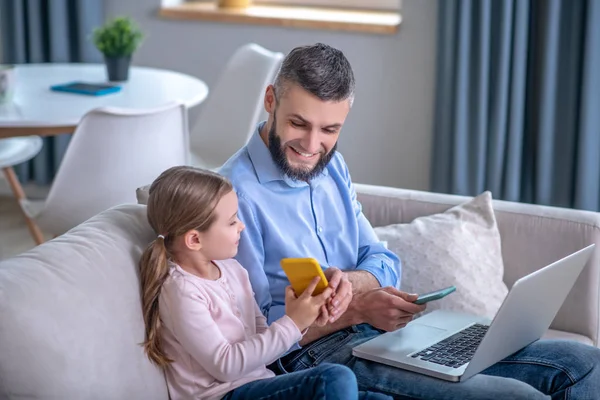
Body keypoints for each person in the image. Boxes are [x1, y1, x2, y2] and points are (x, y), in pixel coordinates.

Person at [219, 43, 600, 399]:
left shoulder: (331, 168)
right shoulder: (233, 195)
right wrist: (356, 308)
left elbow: (384, 262)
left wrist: (352, 286)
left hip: (379, 335)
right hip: (314, 357)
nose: (311, 145)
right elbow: (249, 332)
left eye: (329, 130)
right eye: (299, 124)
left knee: (581, 364)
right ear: (270, 100)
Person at [138, 166, 392, 400]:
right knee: (334, 378)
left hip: (261, 383)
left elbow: (264, 339)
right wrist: (293, 323)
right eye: (231, 221)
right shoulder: (181, 290)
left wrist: (303, 318)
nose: (241, 226)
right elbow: (226, 366)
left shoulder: (232, 268)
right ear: (194, 240)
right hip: (222, 394)